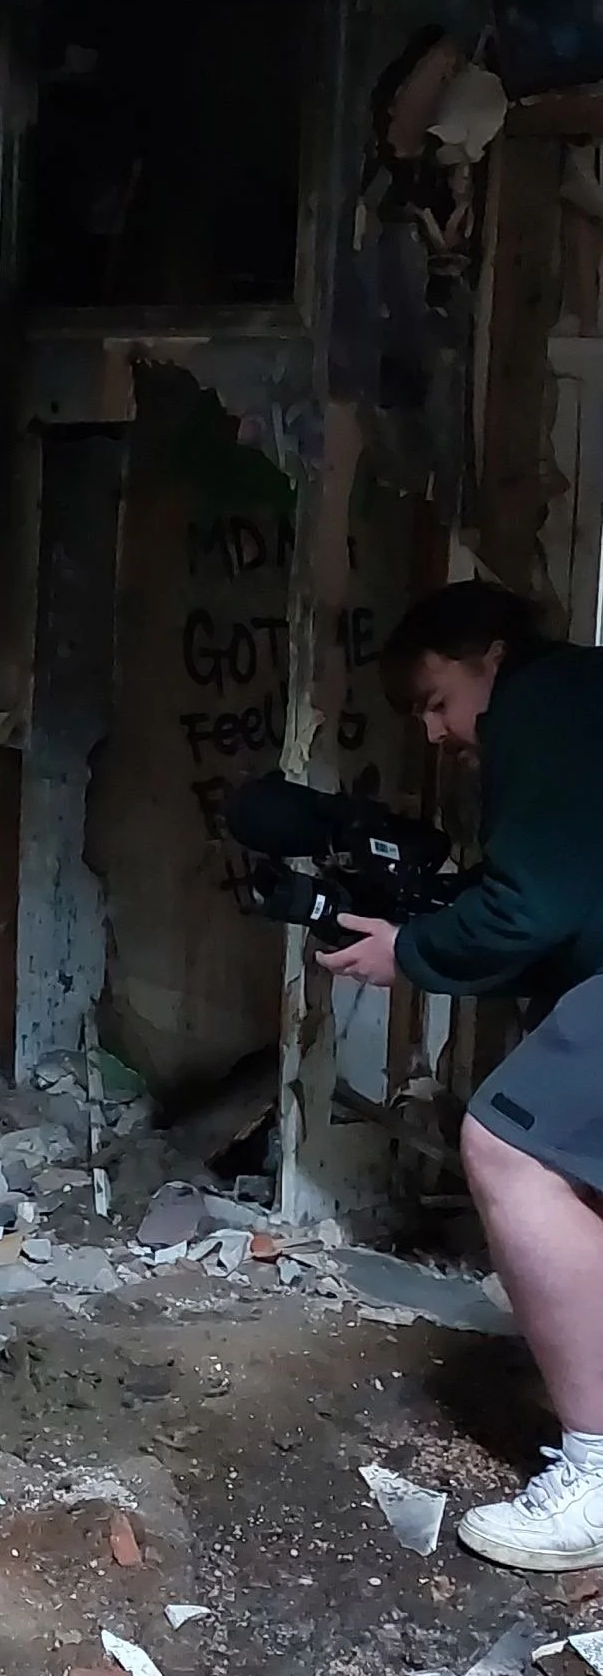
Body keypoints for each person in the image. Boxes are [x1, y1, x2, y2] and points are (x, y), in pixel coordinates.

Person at [320, 579, 603, 1569]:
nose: (434, 731)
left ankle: (594, 1476)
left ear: (488, 657)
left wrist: (410, 953)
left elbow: (533, 907)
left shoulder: (544, 702)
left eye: (435, 699)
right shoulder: (580, 700)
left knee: (509, 1141)